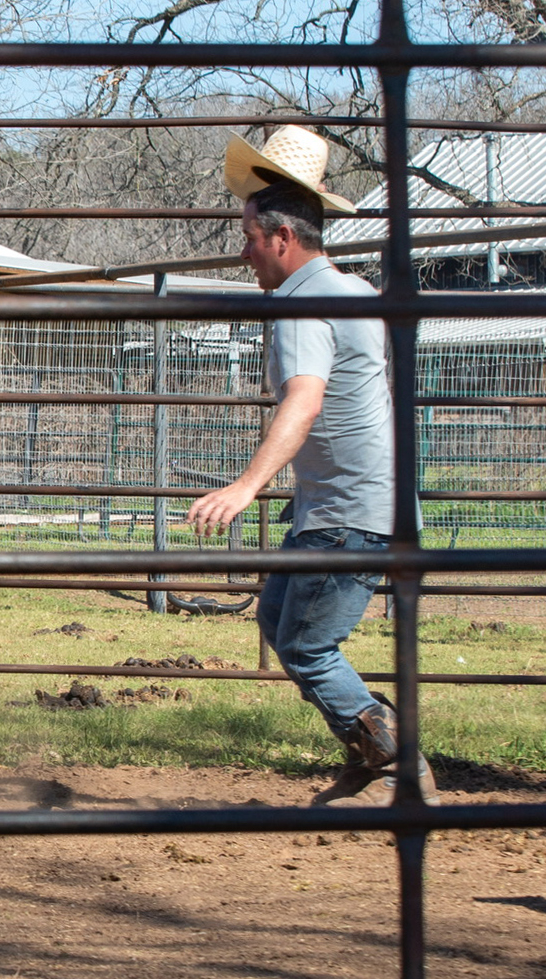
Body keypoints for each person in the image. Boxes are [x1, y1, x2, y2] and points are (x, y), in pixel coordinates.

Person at [183, 126, 439, 806]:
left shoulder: (303, 304)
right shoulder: (348, 291)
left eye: (246, 237)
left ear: (280, 239)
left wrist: (244, 487)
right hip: (348, 504)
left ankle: (393, 760)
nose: (243, 253)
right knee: (277, 618)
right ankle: (373, 749)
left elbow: (304, 401)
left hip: (348, 510)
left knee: (304, 644)